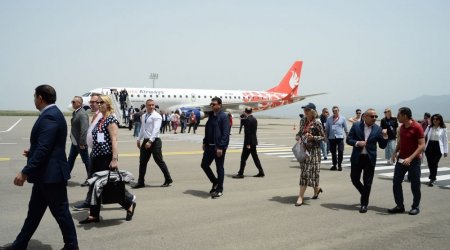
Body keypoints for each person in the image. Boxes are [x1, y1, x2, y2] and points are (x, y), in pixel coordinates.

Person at [2, 85, 78, 250]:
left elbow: (44, 148)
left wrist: (25, 172)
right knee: (34, 214)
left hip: (51, 176)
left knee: (61, 213)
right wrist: (32, 150)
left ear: (40, 98)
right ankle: (19, 245)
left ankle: (72, 246)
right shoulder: (52, 114)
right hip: (45, 175)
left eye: (35, 96)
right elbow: (46, 145)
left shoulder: (49, 116)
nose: (34, 100)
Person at [79, 95, 136, 224]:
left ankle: (129, 203)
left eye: (101, 102)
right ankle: (94, 214)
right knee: (94, 184)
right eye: (97, 102)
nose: (98, 104)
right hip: (95, 156)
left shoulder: (111, 119)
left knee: (110, 185)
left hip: (106, 157)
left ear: (108, 104)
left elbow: (114, 140)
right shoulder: (100, 119)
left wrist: (114, 159)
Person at [346, 109, 388, 213]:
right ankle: (364, 193)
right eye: (372, 116)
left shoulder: (378, 129)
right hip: (357, 157)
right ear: (365, 117)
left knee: (368, 182)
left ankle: (364, 204)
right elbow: (348, 139)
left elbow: (382, 146)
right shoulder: (356, 126)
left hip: (369, 159)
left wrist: (385, 137)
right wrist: (357, 143)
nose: (374, 118)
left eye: (375, 116)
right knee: (354, 179)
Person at [388, 107, 425, 216]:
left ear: (404, 115)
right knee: (396, 182)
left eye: (399, 115)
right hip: (401, 159)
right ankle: (400, 206)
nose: (397, 117)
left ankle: (415, 206)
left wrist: (411, 158)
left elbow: (422, 145)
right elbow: (401, 141)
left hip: (414, 161)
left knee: (415, 184)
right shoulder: (402, 127)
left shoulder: (417, 127)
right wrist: (395, 152)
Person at [133, 99, 173, 188]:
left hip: (155, 141)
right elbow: (143, 129)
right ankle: (141, 182)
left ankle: (168, 178)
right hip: (145, 141)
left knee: (159, 161)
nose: (151, 106)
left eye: (153, 105)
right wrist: (139, 139)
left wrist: (150, 141)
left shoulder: (157, 116)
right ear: (146, 106)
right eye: (149, 105)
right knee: (142, 162)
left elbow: (156, 130)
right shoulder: (143, 116)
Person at [73, 93, 103, 210]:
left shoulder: (102, 116)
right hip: (95, 151)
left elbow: (102, 134)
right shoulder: (96, 115)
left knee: (97, 178)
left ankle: (128, 199)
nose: (91, 104)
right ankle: (90, 202)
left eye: (94, 102)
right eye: (90, 102)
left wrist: (98, 149)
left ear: (100, 103)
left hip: (100, 153)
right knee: (96, 178)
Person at [294, 103, 325, 206]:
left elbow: (323, 137)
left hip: (314, 151)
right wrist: (298, 136)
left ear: (313, 111)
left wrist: (313, 137)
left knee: (312, 173)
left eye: (307, 110)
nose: (305, 112)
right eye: (304, 110)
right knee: (305, 172)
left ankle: (302, 196)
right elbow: (299, 132)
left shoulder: (317, 122)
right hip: (304, 150)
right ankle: (315, 190)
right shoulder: (303, 120)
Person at [201, 97, 230, 199]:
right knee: (204, 165)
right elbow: (208, 131)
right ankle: (215, 182)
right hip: (209, 147)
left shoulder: (224, 117)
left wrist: (221, 147)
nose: (212, 106)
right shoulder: (211, 116)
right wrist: (205, 142)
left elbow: (226, 134)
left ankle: (219, 190)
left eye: (214, 104)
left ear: (219, 105)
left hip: (218, 148)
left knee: (219, 168)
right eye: (211, 104)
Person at [232, 107, 265, 178]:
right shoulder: (254, 119)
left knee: (243, 158)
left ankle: (240, 173)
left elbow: (248, 133)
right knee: (255, 158)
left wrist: (247, 144)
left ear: (245, 111)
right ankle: (261, 172)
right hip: (254, 141)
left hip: (248, 142)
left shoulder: (247, 120)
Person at [68, 96, 90, 181]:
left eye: (73, 102)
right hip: (75, 142)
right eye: (72, 101)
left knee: (86, 161)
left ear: (79, 103)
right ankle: (65, 176)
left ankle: (91, 177)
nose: (72, 103)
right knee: (70, 159)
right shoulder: (75, 112)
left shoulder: (82, 114)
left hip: (80, 143)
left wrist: (82, 142)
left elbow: (84, 129)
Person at [424, 114, 448, 187]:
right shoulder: (429, 127)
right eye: (434, 119)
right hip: (429, 146)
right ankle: (432, 177)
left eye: (437, 119)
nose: (435, 120)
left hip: (438, 147)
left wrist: (446, 151)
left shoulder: (443, 129)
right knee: (430, 163)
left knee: (434, 163)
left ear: (440, 120)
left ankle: (432, 178)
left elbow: (445, 140)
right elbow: (423, 135)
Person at [325, 106, 348, 171]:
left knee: (340, 151)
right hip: (331, 137)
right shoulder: (329, 119)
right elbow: (326, 129)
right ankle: (334, 165)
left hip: (340, 137)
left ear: (338, 111)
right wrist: (326, 137)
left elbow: (346, 128)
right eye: (333, 111)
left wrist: (347, 136)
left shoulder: (342, 118)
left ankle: (339, 165)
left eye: (336, 111)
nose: (335, 112)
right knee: (333, 152)